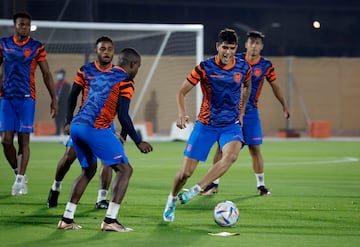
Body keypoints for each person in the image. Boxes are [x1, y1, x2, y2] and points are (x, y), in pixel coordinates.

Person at [57, 47, 153, 231]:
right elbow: (123, 116)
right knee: (125, 170)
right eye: (138, 67)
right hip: (95, 128)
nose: (137, 72)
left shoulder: (101, 74)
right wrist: (138, 140)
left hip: (77, 126)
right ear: (132, 65)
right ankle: (110, 220)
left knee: (88, 170)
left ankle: (67, 218)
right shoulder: (125, 80)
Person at [162, 28, 252, 222]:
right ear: (217, 46)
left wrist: (242, 112)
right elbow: (181, 91)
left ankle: (196, 189)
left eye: (232, 48)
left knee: (232, 156)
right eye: (225, 48)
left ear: (236, 48)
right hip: (206, 125)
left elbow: (247, 85)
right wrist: (182, 113)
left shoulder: (244, 67)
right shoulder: (204, 68)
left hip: (231, 125)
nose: (228, 52)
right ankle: (172, 199)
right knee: (185, 173)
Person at [201, 30, 290, 196]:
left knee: (255, 149)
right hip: (231, 113)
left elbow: (275, 86)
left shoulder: (266, 66)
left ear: (262, 46)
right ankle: (213, 184)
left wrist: (284, 105)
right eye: (251, 42)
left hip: (251, 113)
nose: (254, 45)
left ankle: (261, 186)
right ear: (246, 44)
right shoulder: (236, 60)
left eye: (258, 43)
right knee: (221, 149)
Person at [48, 36, 119, 209]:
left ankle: (101, 198)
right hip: (84, 124)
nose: (106, 52)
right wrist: (68, 121)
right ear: (96, 51)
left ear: (113, 51)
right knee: (68, 158)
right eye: (103, 48)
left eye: (109, 49)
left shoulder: (118, 74)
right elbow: (73, 96)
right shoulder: (85, 70)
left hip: (106, 124)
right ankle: (56, 187)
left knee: (107, 160)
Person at [0, 12, 57, 196]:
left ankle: (20, 180)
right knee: (6, 141)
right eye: (21, 24)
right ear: (14, 26)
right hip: (6, 98)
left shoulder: (36, 47)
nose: (24, 27)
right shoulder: (4, 44)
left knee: (24, 140)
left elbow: (46, 74)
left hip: (26, 99)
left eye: (27, 25)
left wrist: (53, 98)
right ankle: (18, 172)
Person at [54, 69, 71, 135]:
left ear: (63, 75)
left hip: (64, 105)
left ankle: (65, 132)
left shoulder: (67, 84)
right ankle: (57, 132)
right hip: (57, 104)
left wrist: (59, 98)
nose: (58, 76)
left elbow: (66, 96)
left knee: (63, 118)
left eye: (59, 74)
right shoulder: (57, 85)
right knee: (57, 118)